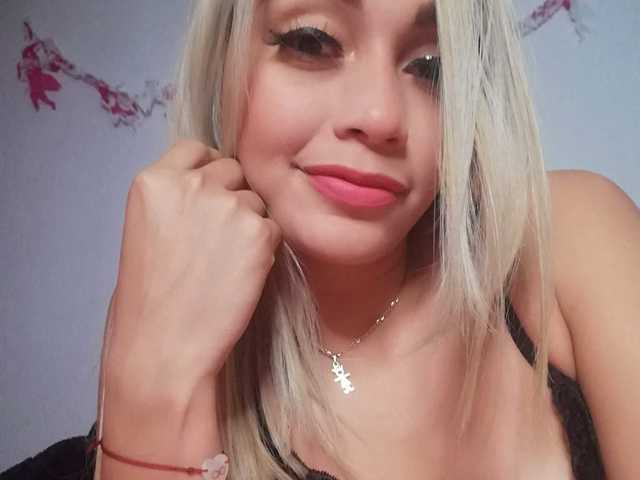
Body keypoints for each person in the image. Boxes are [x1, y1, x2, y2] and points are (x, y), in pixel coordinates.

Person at [2, 0, 639, 479]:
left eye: (432, 67)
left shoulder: (566, 239)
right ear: (226, 59)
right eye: (313, 41)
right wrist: (148, 390)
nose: (380, 116)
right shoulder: (165, 347)